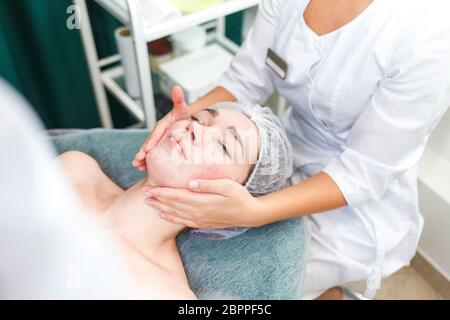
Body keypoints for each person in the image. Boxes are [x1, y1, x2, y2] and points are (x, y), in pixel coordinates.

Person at [134, 0, 450, 299]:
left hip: (352, 203)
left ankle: (333, 294)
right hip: (286, 148)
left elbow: (362, 172)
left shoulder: (427, 32)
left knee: (239, 286)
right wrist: (187, 117)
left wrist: (255, 213)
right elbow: (244, 81)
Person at [58, 102, 293, 298]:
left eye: (223, 146)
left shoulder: (164, 293)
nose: (197, 130)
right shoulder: (76, 168)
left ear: (231, 204)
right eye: (200, 119)